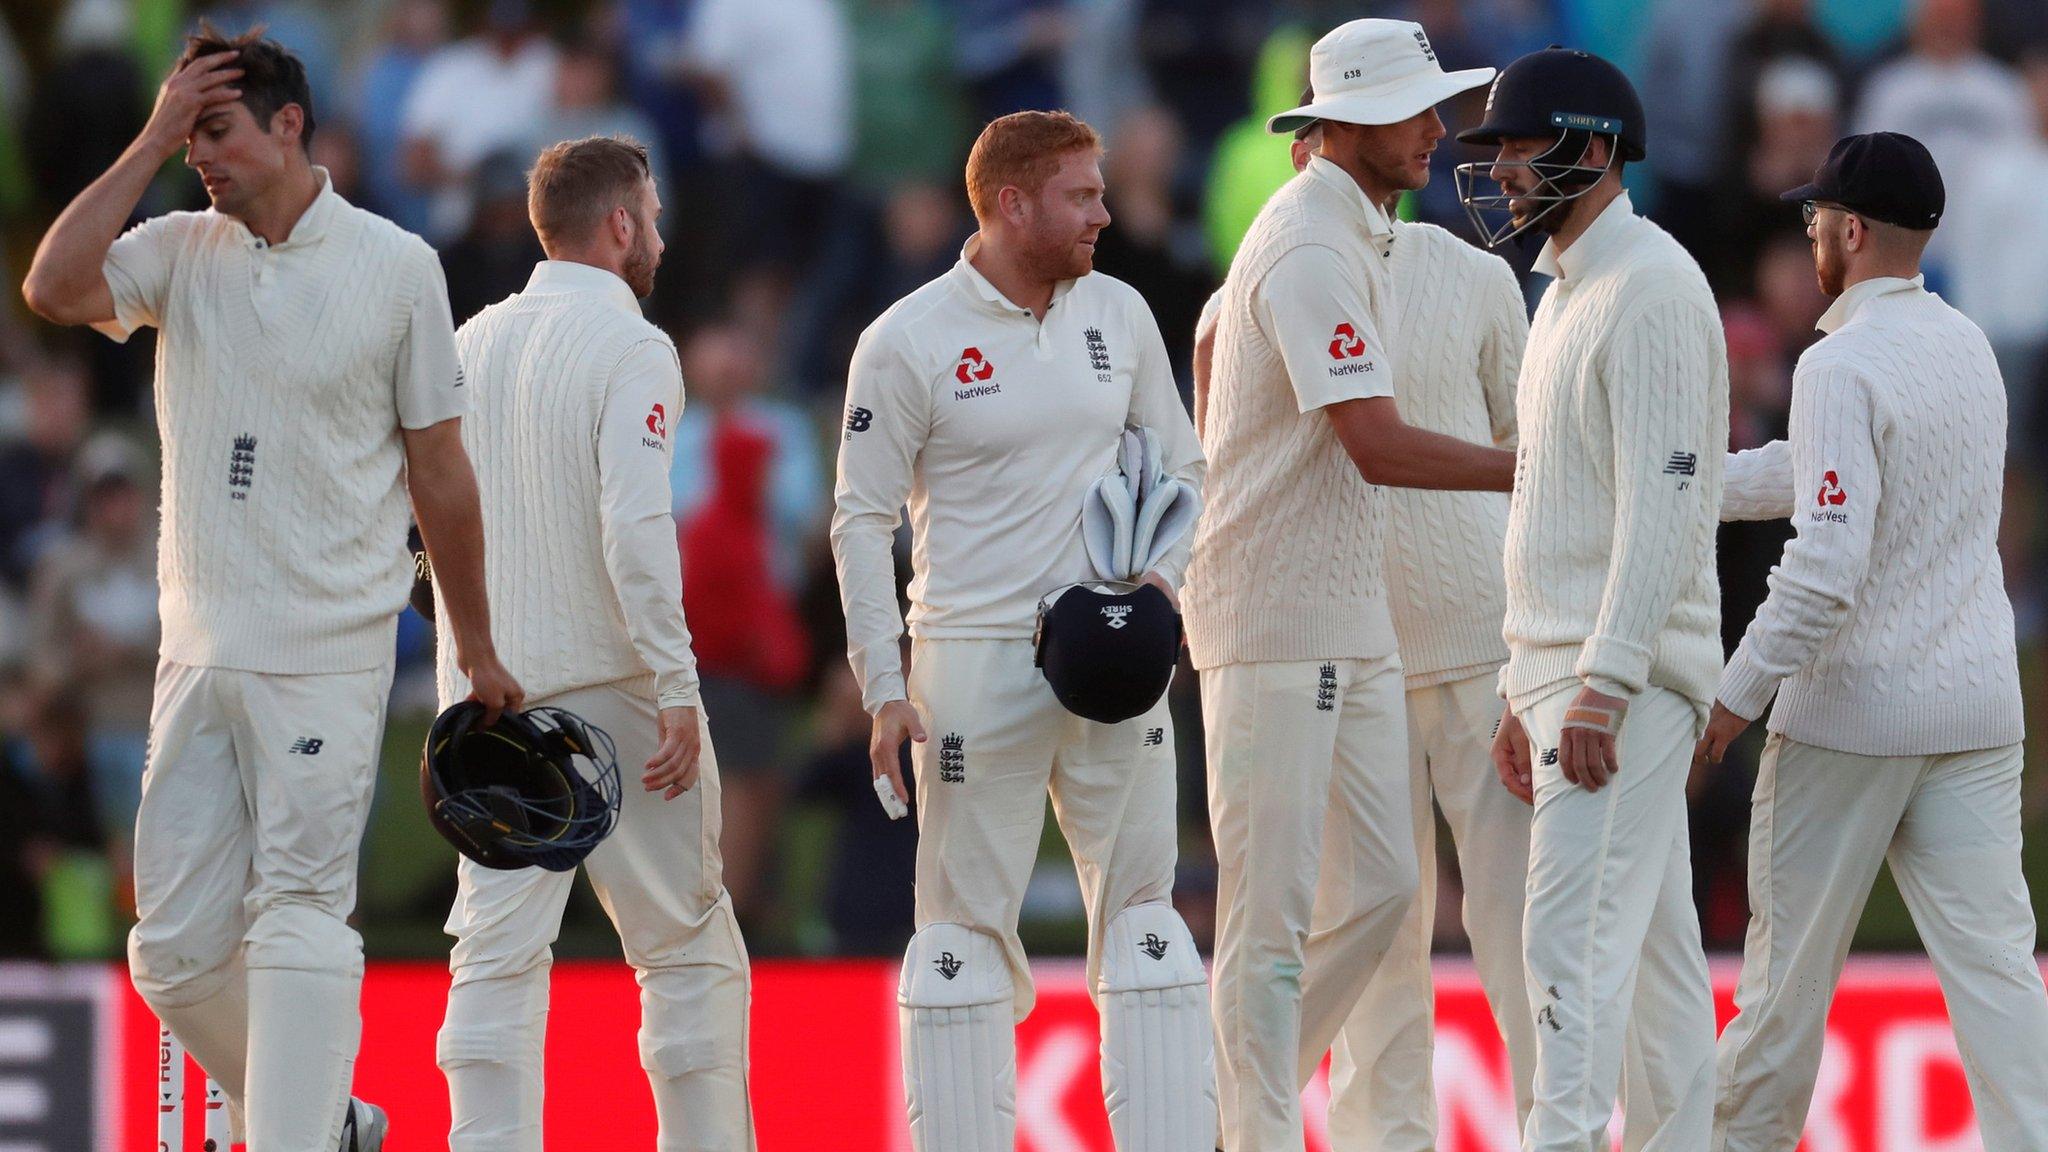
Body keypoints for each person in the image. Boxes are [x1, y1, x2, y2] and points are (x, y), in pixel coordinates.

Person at [20, 27, 518, 1152]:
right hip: (193, 649)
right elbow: (51, 287)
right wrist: (150, 134)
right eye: (189, 132)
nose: (201, 154)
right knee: (172, 952)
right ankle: (325, 1121)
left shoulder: (396, 266)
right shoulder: (178, 245)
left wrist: (474, 646)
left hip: (328, 647)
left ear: (290, 123)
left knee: (299, 919)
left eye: (217, 130)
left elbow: (441, 471)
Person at [831, 109, 1211, 1152]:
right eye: (1081, 196)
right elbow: (859, 520)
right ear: (1010, 202)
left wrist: (1161, 591)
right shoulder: (907, 338)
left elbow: (1181, 466)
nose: (1103, 213)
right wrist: (881, 685)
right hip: (970, 660)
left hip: (1114, 656)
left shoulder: (1120, 312)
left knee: (1147, 932)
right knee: (955, 951)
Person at [1184, 21, 1509, 1151]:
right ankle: (1249, 1126)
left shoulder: (1349, 231)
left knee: (1378, 896)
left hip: (1346, 611)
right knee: (1270, 922)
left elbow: (1212, 348)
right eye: (1418, 111)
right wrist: (1534, 466)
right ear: (1351, 123)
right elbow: (1374, 444)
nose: (1438, 130)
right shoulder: (1310, 243)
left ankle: (1225, 1101)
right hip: (1269, 615)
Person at [1700, 131, 2048, 1151]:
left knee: (1780, 995)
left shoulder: (1836, 362)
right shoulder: (1965, 344)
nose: (1808, 234)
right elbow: (1829, 479)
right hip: (1973, 705)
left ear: (1847, 232)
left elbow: (1823, 562)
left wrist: (1732, 698)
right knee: (1997, 984)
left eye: (1814, 221)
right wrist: (1685, 491)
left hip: (1851, 714)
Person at [433, 135, 755, 1151]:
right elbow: (634, 528)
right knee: (688, 947)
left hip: (491, 694)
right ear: (619, 225)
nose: (656, 233)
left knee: (495, 951)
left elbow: (419, 513)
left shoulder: (468, 341)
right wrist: (672, 680)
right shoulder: (634, 348)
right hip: (616, 685)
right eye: (650, 216)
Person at [1458, 46, 1725, 1151]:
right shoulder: (1564, 290)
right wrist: (1521, 688)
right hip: (1562, 674)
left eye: (1523, 146)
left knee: (1562, 949)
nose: (1505, 169)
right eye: (1500, 150)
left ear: (1595, 148)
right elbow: (1557, 507)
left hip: (1615, 679)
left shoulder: (1651, 284)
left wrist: (1601, 685)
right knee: (1657, 974)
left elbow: (1661, 509)